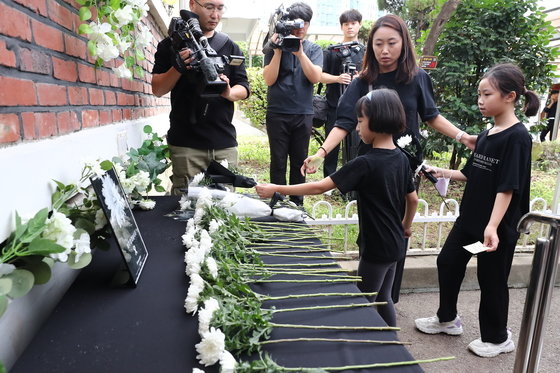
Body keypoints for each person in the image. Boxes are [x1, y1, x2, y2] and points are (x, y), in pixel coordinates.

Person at [301, 14, 476, 303]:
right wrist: (321, 153)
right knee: (373, 228)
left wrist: (462, 137)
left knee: (399, 229)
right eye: (379, 44)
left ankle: (387, 296)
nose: (385, 50)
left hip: (405, 165)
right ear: (370, 46)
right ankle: (371, 292)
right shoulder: (363, 81)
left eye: (391, 43)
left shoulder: (418, 78)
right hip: (371, 167)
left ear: (403, 44)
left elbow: (431, 116)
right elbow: (344, 122)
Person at [256, 88, 419, 327]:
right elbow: (413, 200)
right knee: (383, 298)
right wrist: (405, 227)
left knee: (360, 300)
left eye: (360, 121)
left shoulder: (365, 163)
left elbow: (319, 188)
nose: (357, 128)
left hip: (376, 245)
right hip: (395, 241)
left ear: (376, 121)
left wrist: (276, 188)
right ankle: (391, 340)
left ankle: (368, 347)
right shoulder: (402, 158)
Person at [415, 63, 538, 358]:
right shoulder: (488, 133)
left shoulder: (517, 138)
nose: (480, 100)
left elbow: (507, 187)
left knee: (491, 279)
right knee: (448, 262)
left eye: (487, 94)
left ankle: (497, 339)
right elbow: (473, 173)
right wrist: (441, 171)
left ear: (509, 96)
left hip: (493, 228)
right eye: (479, 94)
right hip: (471, 221)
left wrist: (493, 227)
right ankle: (447, 319)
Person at [151, 0, 250, 195]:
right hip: (186, 144)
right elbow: (158, 89)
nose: (215, 15)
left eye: (220, 8)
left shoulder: (230, 47)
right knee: (184, 206)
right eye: (209, 7)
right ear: (192, 5)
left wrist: (229, 92)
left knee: (224, 208)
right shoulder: (170, 45)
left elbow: (244, 88)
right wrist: (178, 67)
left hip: (224, 143)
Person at [262, 2, 323, 206]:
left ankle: (297, 205)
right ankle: (277, 203)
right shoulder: (273, 46)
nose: (301, 27)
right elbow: (269, 79)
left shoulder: (314, 49)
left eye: (305, 23)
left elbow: (315, 77)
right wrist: (278, 51)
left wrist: (300, 53)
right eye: (297, 23)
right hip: (277, 112)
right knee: (278, 162)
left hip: (303, 114)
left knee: (299, 162)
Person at [320, 9, 365, 177]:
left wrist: (360, 77)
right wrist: (338, 78)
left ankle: (355, 179)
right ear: (341, 27)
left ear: (359, 25)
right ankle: (329, 181)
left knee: (359, 144)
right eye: (346, 24)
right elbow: (320, 75)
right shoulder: (332, 50)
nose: (350, 27)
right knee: (331, 145)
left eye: (353, 23)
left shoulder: (365, 51)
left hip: (360, 107)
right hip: (335, 105)